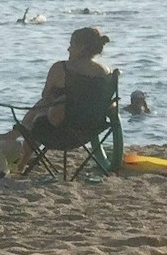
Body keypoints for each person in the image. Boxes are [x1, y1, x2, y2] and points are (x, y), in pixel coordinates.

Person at [11, 27, 115, 159]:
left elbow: (45, 95)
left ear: (81, 47)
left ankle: (19, 146)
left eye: (71, 45)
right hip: (90, 130)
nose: (68, 49)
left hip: (58, 131)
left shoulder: (61, 68)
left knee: (42, 110)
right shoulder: (107, 72)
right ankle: (17, 136)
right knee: (52, 105)